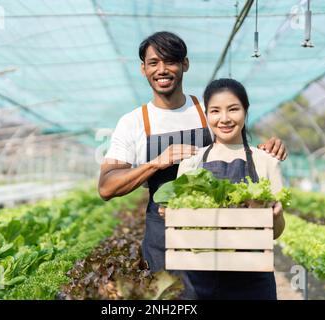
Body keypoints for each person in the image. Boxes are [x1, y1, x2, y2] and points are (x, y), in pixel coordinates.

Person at [98, 31, 287, 298]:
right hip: (164, 240)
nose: (162, 70)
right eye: (153, 63)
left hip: (226, 243)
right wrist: (156, 163)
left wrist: (270, 148)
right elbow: (106, 187)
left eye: (170, 61)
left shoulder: (208, 112)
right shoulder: (133, 123)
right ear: (143, 69)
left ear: (184, 64)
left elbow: (242, 149)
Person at [175, 78, 285, 299]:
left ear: (245, 111)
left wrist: (276, 217)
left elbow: (277, 232)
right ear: (206, 115)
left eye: (233, 109)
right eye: (215, 111)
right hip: (200, 278)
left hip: (253, 279)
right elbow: (183, 230)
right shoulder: (191, 162)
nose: (224, 119)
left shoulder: (266, 161)